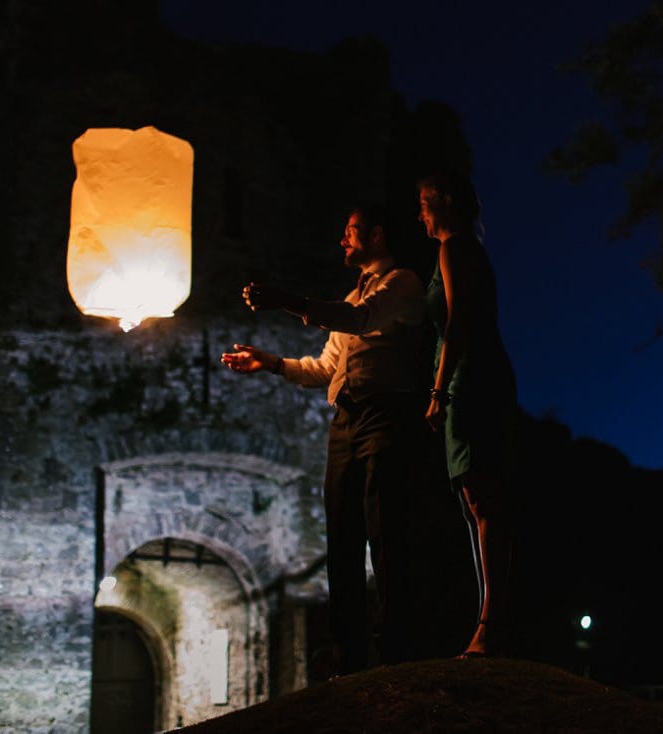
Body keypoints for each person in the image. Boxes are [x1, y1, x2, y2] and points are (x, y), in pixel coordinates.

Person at [221, 205, 426, 675]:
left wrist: (288, 301)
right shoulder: (352, 294)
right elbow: (326, 367)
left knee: (384, 531)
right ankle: (347, 657)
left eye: (350, 232)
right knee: (342, 537)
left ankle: (394, 649)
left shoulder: (403, 284)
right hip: (346, 422)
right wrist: (272, 363)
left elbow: (360, 319)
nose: (342, 241)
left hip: (384, 415)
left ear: (376, 235)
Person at [417, 173, 518, 658]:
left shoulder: (455, 248)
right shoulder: (461, 250)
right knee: (475, 502)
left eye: (425, 203)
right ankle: (488, 620)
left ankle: (491, 624)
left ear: (447, 204)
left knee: (483, 501)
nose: (420, 214)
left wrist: (438, 389)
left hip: (471, 380)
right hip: (472, 377)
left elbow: (457, 321)